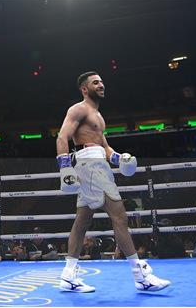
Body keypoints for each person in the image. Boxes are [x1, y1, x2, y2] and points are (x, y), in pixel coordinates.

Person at [56, 71, 170, 292]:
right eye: (95, 82)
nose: (101, 84)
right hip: (91, 167)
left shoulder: (97, 115)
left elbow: (104, 147)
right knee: (119, 216)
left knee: (81, 223)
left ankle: (68, 275)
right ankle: (140, 275)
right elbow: (62, 136)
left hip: (96, 164)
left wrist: (121, 158)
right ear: (84, 89)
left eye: (101, 81)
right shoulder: (79, 109)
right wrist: (64, 168)